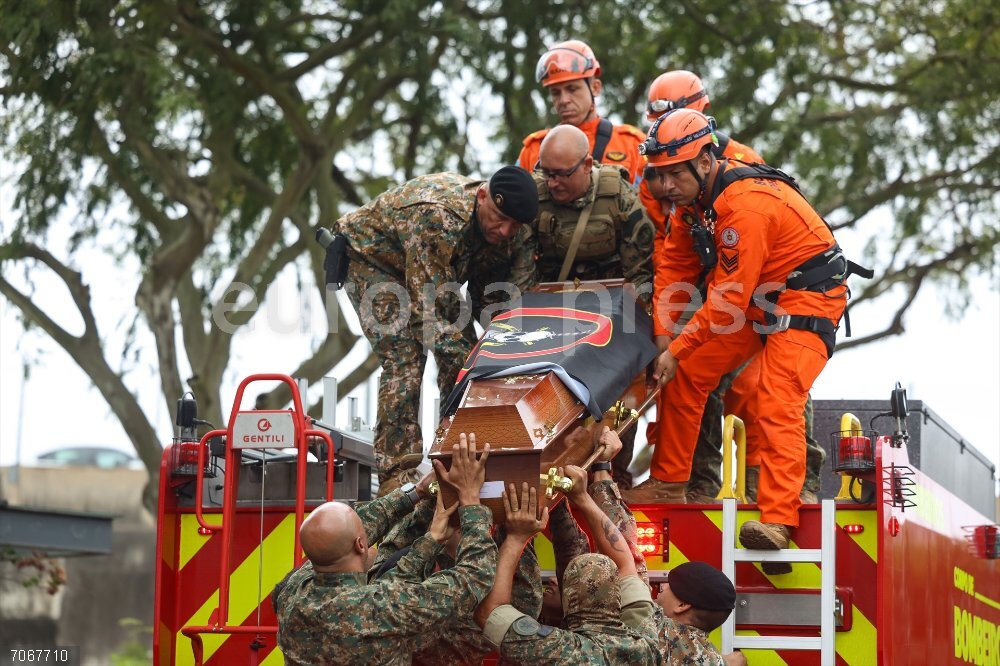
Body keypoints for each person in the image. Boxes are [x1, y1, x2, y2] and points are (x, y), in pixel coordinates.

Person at [625, 109, 862, 556]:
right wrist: (664, 340)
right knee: (687, 369)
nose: (666, 186)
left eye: (675, 173)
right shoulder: (692, 206)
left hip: (807, 299)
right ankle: (668, 482)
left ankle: (777, 519)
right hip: (757, 301)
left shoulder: (746, 205)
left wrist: (677, 347)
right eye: (660, 175)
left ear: (705, 161)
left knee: (774, 395)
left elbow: (727, 301)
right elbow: (674, 267)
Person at [325, 167, 538, 493]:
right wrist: (469, 362)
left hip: (432, 273)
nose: (506, 230)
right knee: (406, 355)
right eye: (500, 219)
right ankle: (397, 473)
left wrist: (503, 349)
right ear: (482, 195)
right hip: (373, 260)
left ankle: (454, 452)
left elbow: (490, 302)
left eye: (515, 225)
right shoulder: (437, 217)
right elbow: (431, 317)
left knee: (472, 354)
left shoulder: (510, 231)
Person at [509, 125, 654, 487]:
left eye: (563, 174)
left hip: (614, 312)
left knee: (619, 390)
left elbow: (643, 273)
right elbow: (521, 274)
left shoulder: (618, 197)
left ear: (587, 164)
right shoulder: (535, 199)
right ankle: (543, 468)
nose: (553, 182)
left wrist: (639, 336)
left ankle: (613, 474)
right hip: (551, 311)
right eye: (547, 173)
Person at [275, 434, 497, 665]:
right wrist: (471, 501)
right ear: (361, 544)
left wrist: (419, 498)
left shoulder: (292, 595)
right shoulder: (381, 609)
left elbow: (353, 536)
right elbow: (475, 576)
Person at [476, 470, 661, 665]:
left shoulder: (560, 650)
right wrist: (582, 498)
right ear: (616, 596)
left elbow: (489, 611)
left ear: (569, 600)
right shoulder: (644, 646)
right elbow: (626, 564)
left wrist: (516, 537)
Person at [518, 40, 646, 185]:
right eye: (555, 93)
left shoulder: (632, 144)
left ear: (595, 88)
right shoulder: (534, 149)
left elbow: (651, 204)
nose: (564, 100)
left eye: (572, 89)